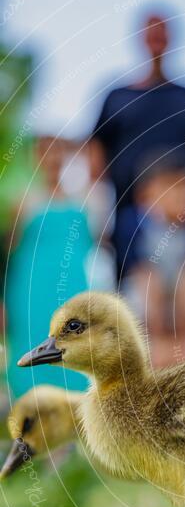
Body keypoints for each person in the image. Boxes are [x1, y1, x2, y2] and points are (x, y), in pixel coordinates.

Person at [89, 9, 185, 283]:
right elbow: (95, 152)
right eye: (151, 32)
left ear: (172, 38)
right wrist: (97, 208)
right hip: (130, 218)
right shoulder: (117, 97)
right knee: (138, 298)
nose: (157, 38)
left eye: (162, 31)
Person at [5, 137, 94, 396]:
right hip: (33, 285)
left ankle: (75, 406)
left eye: (57, 154)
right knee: (32, 337)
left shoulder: (83, 200)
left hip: (73, 282)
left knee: (72, 339)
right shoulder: (23, 201)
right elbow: (11, 250)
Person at [127, 149, 185, 365]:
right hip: (151, 302)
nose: (184, 195)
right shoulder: (136, 225)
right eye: (173, 187)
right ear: (147, 194)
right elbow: (142, 274)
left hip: (182, 302)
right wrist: (157, 320)